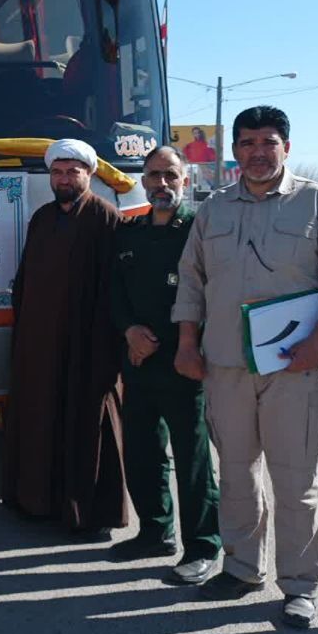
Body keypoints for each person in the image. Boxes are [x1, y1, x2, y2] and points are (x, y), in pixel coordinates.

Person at [172, 105, 318, 628]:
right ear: (236, 150)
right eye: (248, 142)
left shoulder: (317, 201)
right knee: (235, 475)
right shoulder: (213, 209)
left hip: (293, 369)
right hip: (225, 366)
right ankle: (241, 568)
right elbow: (192, 278)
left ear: (286, 148)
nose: (258, 152)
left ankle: (300, 587)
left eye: (268, 142)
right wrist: (187, 343)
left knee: (297, 482)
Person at [3, 138, 128, 535]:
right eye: (57, 172)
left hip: (87, 347)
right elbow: (26, 282)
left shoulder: (106, 217)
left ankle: (90, 514)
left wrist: (108, 347)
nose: (63, 178)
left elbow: (116, 288)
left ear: (89, 174)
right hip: (40, 346)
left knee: (87, 423)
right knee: (40, 419)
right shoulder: (42, 218)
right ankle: (37, 503)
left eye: (72, 171)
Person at [109, 146, 221, 583]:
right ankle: (155, 531)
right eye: (153, 175)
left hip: (184, 360)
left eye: (170, 175)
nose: (161, 184)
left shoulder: (199, 229)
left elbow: (213, 293)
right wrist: (129, 331)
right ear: (143, 180)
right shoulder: (129, 232)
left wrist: (185, 345)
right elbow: (115, 291)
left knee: (192, 458)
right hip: (138, 359)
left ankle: (203, 547)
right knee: (142, 450)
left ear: (185, 179)